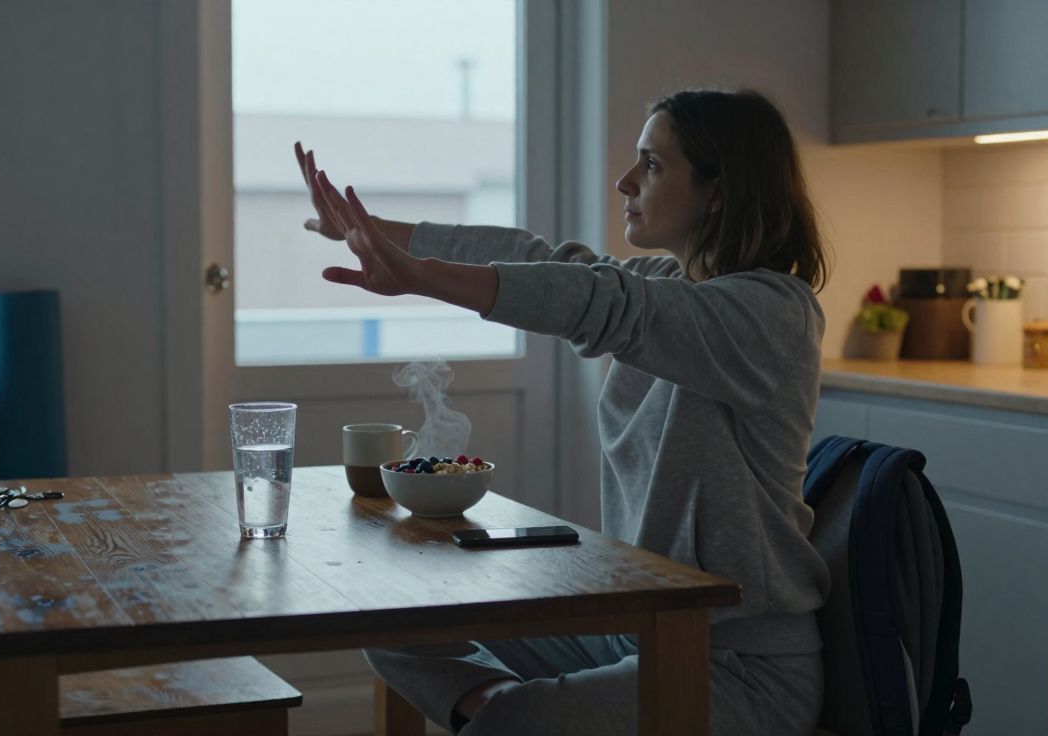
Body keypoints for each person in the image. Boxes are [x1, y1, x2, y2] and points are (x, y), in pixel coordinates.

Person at [292, 88, 832, 736]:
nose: (624, 180)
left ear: (719, 190)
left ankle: (513, 718)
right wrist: (371, 234)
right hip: (640, 632)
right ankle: (509, 715)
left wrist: (421, 277)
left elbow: (601, 302)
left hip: (740, 666)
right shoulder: (672, 282)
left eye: (653, 166)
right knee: (399, 625)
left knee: (518, 720)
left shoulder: (773, 314)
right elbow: (544, 260)